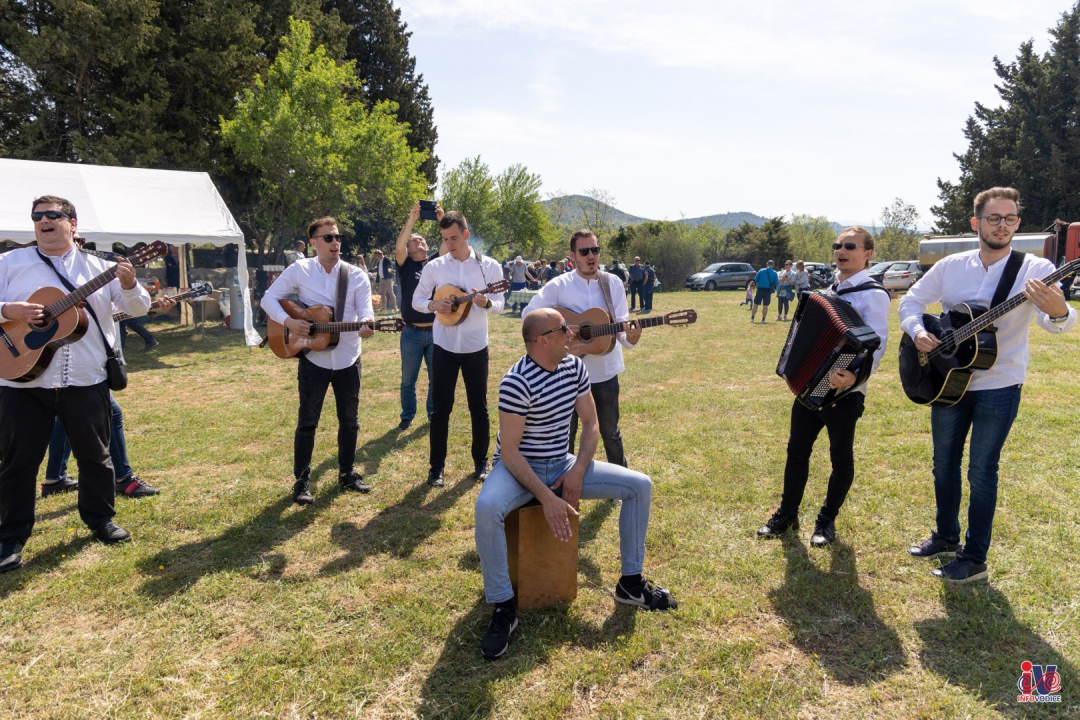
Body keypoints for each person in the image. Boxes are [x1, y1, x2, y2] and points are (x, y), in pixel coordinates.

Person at [474, 307, 678, 659]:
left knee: (640, 485)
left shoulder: (574, 366)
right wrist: (547, 497)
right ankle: (504, 607)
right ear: (542, 340)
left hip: (564, 462)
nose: (571, 332)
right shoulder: (516, 382)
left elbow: (591, 425)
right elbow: (509, 453)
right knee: (487, 508)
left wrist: (578, 470)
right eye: (562, 328)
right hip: (520, 467)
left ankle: (631, 584)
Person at [900, 187, 1076, 583]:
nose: (1003, 225)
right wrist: (918, 333)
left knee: (981, 471)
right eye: (994, 218)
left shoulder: (1034, 268)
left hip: (999, 383)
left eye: (1010, 218)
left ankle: (974, 557)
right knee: (943, 464)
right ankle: (945, 536)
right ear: (976, 223)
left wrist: (1059, 309)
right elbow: (910, 302)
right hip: (946, 378)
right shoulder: (951, 265)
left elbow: (1057, 323)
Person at [0, 195, 152, 573]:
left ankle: (100, 519)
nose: (44, 221)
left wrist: (131, 285)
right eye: (38, 217)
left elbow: (138, 309)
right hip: (22, 381)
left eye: (53, 215)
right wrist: (8, 310)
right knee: (18, 463)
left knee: (95, 457)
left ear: (72, 222)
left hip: (85, 379)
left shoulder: (99, 267)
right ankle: (10, 537)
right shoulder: (8, 263)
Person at [757, 228, 890, 547]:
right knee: (796, 451)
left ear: (867, 253)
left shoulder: (874, 294)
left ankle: (826, 522)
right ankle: (787, 515)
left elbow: (878, 345)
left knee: (840, 458)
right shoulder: (829, 290)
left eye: (849, 246)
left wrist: (854, 378)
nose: (841, 250)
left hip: (845, 393)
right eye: (838, 245)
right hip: (811, 386)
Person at [262, 216, 375, 505]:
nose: (335, 242)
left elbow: (365, 312)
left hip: (349, 357)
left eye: (337, 237)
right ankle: (302, 481)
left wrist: (367, 324)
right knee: (307, 422)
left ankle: (347, 472)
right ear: (314, 243)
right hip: (313, 358)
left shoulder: (356, 275)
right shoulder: (300, 269)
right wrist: (290, 321)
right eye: (328, 238)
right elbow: (268, 299)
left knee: (349, 421)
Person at [523, 230, 640, 468]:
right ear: (572, 255)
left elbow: (622, 328)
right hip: (566, 374)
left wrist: (632, 337)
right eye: (584, 251)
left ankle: (619, 483)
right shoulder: (558, 285)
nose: (591, 256)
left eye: (595, 250)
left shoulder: (613, 283)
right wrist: (560, 327)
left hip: (604, 372)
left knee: (610, 431)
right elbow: (529, 315)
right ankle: (560, 481)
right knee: (566, 434)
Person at [412, 211, 505, 487]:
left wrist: (486, 302)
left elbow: (500, 304)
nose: (449, 244)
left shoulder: (489, 267)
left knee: (479, 406)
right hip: (443, 346)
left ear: (465, 234)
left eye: (454, 238)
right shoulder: (435, 266)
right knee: (440, 408)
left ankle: (481, 462)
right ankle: (436, 468)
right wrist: (432, 305)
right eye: (444, 239)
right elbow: (417, 298)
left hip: (476, 346)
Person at [394, 201, 447, 431]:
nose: (420, 241)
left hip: (437, 330)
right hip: (411, 331)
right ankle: (407, 415)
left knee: (437, 379)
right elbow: (398, 247)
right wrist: (412, 219)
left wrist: (442, 219)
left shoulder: (436, 262)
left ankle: (432, 413)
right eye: (415, 240)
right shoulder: (405, 265)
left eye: (422, 239)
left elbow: (448, 243)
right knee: (408, 379)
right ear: (409, 247)